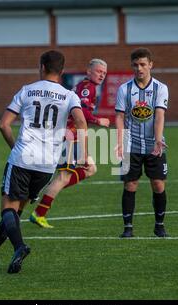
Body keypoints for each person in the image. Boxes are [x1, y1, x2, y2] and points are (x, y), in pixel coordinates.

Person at [0, 50, 87, 273]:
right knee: (15, 213)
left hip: (22, 159)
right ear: (62, 71)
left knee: (8, 209)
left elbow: (3, 125)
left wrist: (14, 147)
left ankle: (19, 247)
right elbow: (81, 122)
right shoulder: (69, 95)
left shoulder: (27, 91)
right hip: (46, 165)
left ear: (42, 67)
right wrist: (80, 153)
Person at [28, 58, 110, 228]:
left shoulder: (85, 85)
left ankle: (46, 194)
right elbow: (83, 113)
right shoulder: (88, 88)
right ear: (89, 71)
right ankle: (39, 212)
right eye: (98, 71)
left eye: (104, 73)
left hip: (70, 134)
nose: (101, 75)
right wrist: (98, 120)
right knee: (64, 176)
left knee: (90, 169)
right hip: (69, 135)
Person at [115, 48, 170, 238]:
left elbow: (159, 116)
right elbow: (120, 117)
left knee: (158, 184)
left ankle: (159, 225)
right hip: (131, 145)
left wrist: (157, 140)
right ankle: (128, 228)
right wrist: (120, 142)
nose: (139, 68)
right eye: (136, 65)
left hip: (155, 144)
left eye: (143, 64)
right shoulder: (124, 89)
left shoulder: (160, 88)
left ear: (150, 65)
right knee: (130, 185)